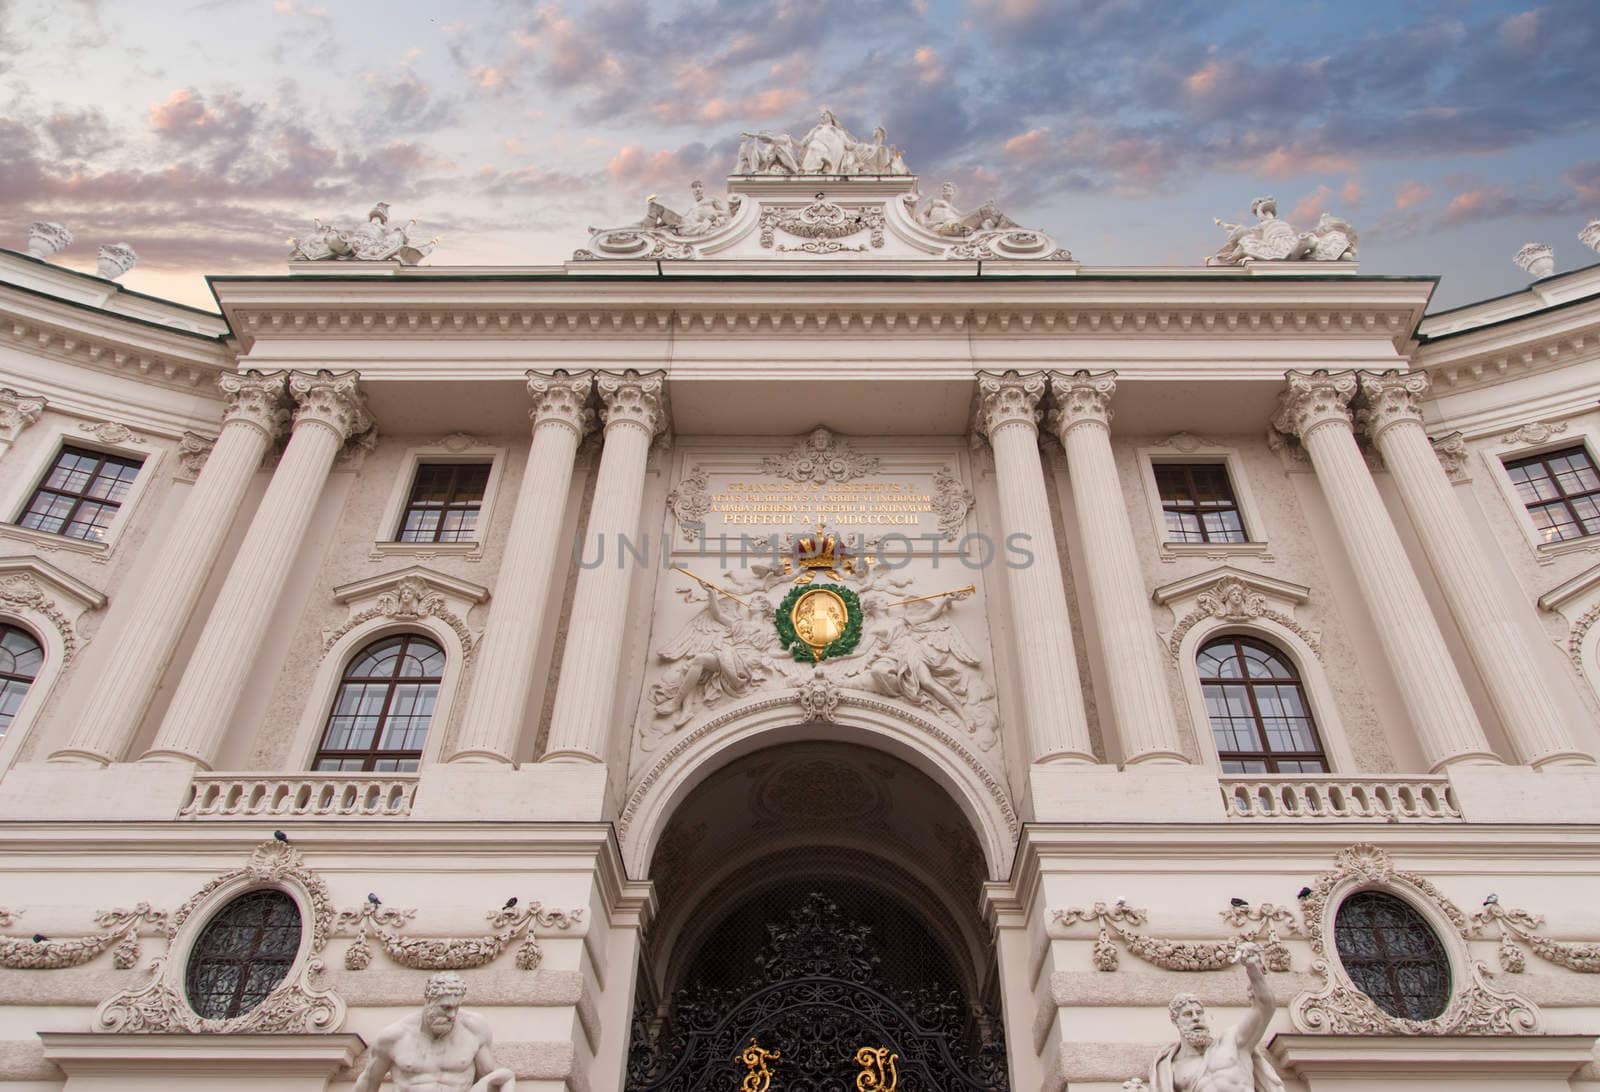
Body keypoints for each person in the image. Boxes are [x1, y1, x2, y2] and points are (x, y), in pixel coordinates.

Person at [1148, 942, 1285, 1092]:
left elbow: (1265, 1008)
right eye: (1188, 1014)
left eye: (1199, 1013)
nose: (1196, 1018)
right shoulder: (1172, 1069)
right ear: (1175, 1021)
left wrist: (1253, 970)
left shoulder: (1232, 1042)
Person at [352, 972, 516, 1091]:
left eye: (456, 1008)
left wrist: (506, 1078)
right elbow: (368, 1083)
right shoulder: (394, 1037)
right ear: (429, 1001)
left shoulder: (474, 1029)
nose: (452, 1015)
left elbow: (491, 1076)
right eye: (445, 1008)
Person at [799, 107, 855, 173]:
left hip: (832, 155)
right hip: (816, 151)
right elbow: (803, 143)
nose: (822, 116)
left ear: (831, 116)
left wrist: (856, 146)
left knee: (817, 147)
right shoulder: (817, 129)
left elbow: (849, 145)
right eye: (821, 115)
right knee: (814, 146)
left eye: (825, 114)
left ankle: (826, 165)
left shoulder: (837, 131)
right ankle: (819, 167)